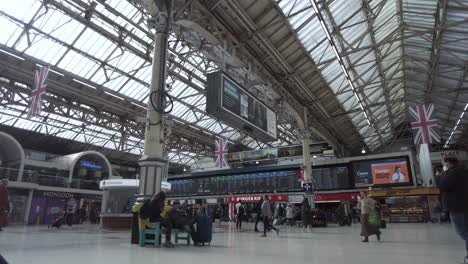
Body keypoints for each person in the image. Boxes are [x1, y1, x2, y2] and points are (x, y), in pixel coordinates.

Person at [439, 157, 468, 263]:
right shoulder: (464, 171)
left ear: (448, 163)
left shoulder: (451, 174)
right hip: (465, 205)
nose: (443, 165)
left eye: (443, 163)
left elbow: (442, 186)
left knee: (462, 232)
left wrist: (443, 174)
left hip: (456, 207)